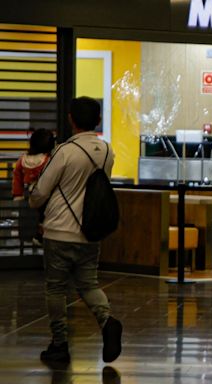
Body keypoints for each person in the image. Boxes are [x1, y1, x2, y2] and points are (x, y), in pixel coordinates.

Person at [29, 96, 122, 364]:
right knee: (88, 284)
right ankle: (107, 321)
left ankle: (59, 345)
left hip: (59, 230)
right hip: (90, 232)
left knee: (56, 289)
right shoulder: (107, 151)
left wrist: (32, 199)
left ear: (71, 119)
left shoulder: (65, 151)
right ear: (98, 121)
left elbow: (42, 191)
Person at [12, 128, 55, 200]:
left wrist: (17, 195)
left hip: (27, 197)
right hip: (46, 198)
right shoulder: (48, 160)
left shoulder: (22, 160)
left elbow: (17, 180)